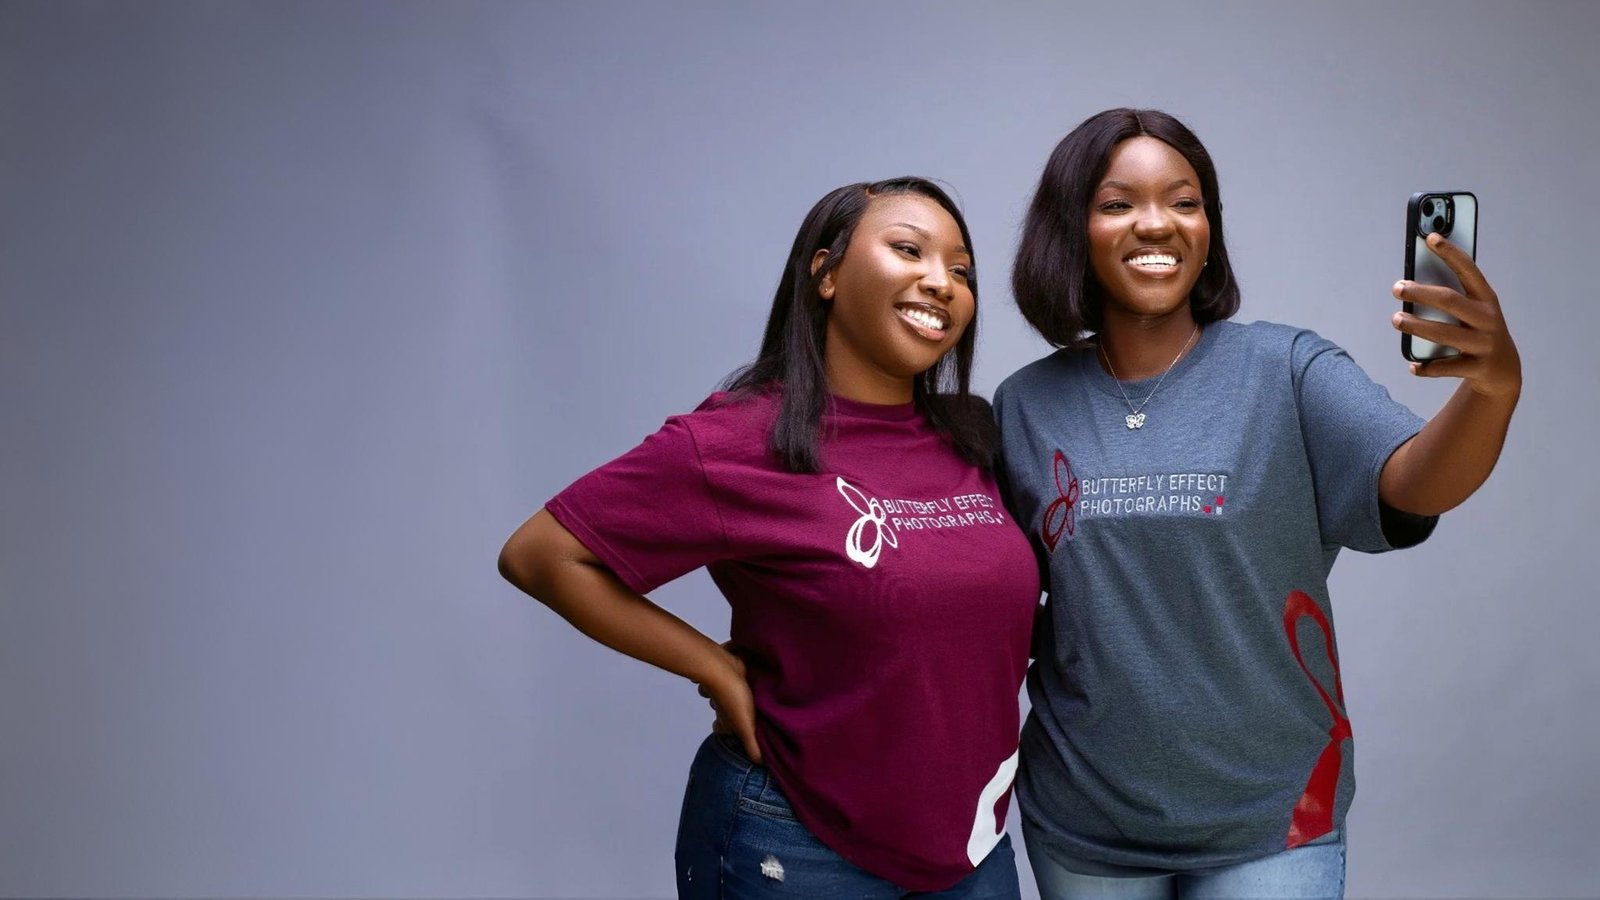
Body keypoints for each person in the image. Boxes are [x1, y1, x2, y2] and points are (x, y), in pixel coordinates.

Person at [993, 109, 1520, 898]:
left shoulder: (1286, 368)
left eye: (1184, 201)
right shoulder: (1025, 405)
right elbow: (981, 592)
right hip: (1084, 820)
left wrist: (1492, 389)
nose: (1156, 224)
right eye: (1117, 204)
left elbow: (1415, 482)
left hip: (1274, 818)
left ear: (1209, 228)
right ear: (1071, 228)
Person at [499, 178, 1040, 898]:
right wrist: (713, 668)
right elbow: (540, 555)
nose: (940, 281)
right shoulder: (738, 440)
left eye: (962, 270)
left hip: (970, 845)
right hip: (796, 836)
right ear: (825, 273)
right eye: (908, 249)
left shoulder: (971, 435)